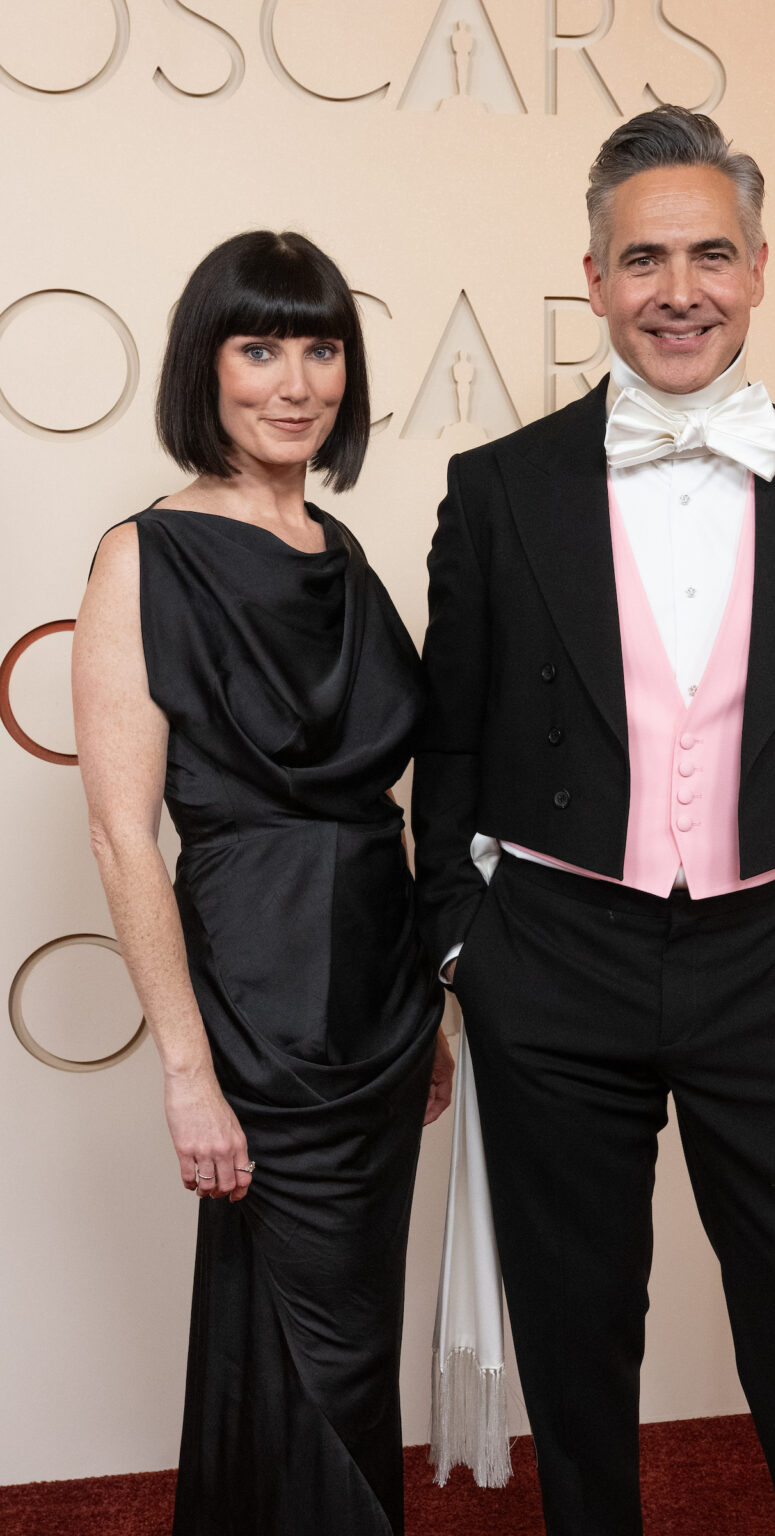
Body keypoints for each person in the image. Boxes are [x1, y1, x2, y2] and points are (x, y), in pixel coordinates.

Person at [412, 107, 775, 1536]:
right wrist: (467, 956)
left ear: (760, 268)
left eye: (712, 253)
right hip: (555, 955)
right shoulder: (499, 489)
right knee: (578, 1335)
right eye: (643, 258)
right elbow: (446, 743)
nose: (679, 289)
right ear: (593, 278)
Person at [72, 230, 453, 1536]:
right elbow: (125, 834)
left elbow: (399, 804)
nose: (296, 381)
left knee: (338, 1340)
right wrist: (187, 1068)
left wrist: (435, 1010)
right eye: (260, 347)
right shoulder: (146, 558)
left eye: (322, 347)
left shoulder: (341, 549)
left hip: (383, 1014)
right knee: (320, 1346)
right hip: (253, 1015)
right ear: (207, 367)